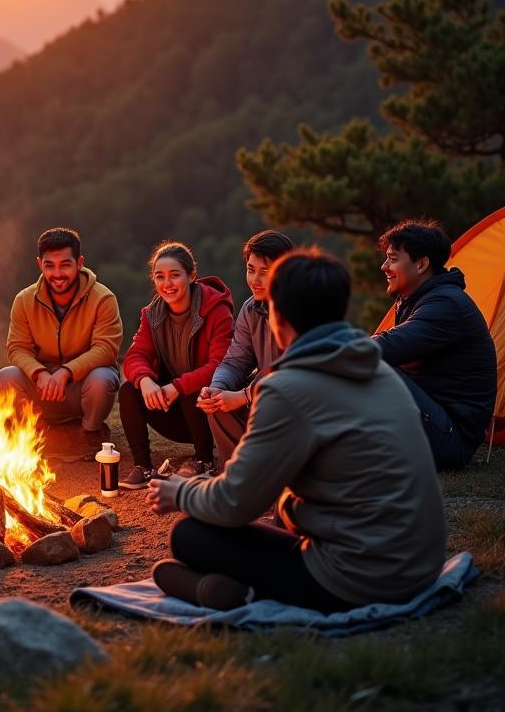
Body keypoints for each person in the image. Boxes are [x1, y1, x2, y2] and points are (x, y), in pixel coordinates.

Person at [148, 249, 446, 613]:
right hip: (422, 566)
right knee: (276, 521)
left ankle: (245, 595)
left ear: (277, 315)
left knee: (189, 536)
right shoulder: (378, 370)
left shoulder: (289, 388)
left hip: (359, 578)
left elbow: (234, 505)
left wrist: (182, 492)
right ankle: (227, 589)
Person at [372, 219, 496, 470]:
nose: (384, 266)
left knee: (373, 367)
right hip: (436, 420)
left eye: (393, 259)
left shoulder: (446, 305)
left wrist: (328, 347)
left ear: (421, 264)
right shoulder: (416, 299)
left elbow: (388, 347)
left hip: (451, 439)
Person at [0, 227, 123, 458]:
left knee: (103, 378)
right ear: (39, 264)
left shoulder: (103, 298)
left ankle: (91, 432)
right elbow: (17, 347)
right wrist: (39, 373)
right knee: (6, 376)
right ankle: (29, 434)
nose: (57, 273)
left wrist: (67, 371)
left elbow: (106, 349)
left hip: (80, 387)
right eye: (49, 266)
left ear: (80, 262)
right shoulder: (24, 300)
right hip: (42, 389)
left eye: (65, 265)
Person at [118, 241, 233, 488]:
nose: (167, 284)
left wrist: (177, 387)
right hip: (173, 413)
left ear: (192, 276)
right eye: (160, 277)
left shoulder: (216, 310)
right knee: (129, 390)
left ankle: (205, 460)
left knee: (194, 387)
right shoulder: (152, 314)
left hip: (210, 412)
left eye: (174, 275)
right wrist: (146, 380)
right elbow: (135, 355)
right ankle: (143, 466)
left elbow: (220, 365)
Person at [197, 230, 293, 469]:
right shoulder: (251, 309)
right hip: (265, 393)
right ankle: (237, 476)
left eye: (265, 272)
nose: (255, 280)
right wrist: (217, 388)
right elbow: (235, 360)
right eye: (251, 270)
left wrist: (243, 396)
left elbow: (290, 371)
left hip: (299, 400)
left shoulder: (301, 308)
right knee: (218, 402)